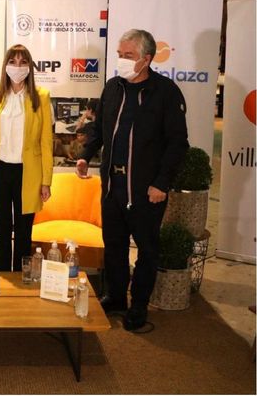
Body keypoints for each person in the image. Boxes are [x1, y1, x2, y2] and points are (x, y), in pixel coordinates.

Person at [76, 29, 189, 331]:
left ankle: (138, 305)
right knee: (114, 246)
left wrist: (162, 183)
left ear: (147, 59)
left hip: (145, 191)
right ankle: (115, 297)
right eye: (119, 54)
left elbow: (178, 143)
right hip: (112, 187)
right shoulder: (113, 88)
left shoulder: (166, 93)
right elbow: (99, 129)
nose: (121, 61)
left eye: (128, 56)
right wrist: (87, 154)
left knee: (147, 251)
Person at [0, 44, 53, 272]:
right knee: (1, 234)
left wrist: (46, 181)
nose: (17, 67)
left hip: (27, 173)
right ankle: (2, 279)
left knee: (23, 234)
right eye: (13, 62)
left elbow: (46, 142)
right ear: (5, 66)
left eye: (23, 62)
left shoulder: (40, 97)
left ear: (30, 67)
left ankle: (22, 281)